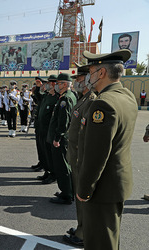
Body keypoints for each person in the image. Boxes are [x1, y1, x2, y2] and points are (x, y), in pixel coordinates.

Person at [77, 49, 137, 250]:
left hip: (102, 189)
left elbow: (96, 155)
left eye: (91, 71)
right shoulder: (127, 96)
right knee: (109, 238)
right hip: (117, 184)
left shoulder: (102, 104)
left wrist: (84, 189)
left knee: (99, 243)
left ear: (101, 73)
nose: (89, 76)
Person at [63, 64, 96, 247]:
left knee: (83, 199)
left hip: (81, 159)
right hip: (75, 157)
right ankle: (80, 226)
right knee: (79, 198)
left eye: (79, 79)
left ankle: (84, 232)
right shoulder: (82, 98)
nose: (76, 82)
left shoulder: (91, 100)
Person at [47, 73, 77, 205]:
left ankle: (66, 195)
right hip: (65, 137)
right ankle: (68, 190)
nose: (57, 86)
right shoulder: (67, 97)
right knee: (65, 165)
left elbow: (63, 121)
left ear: (65, 84)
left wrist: (57, 138)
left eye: (59, 83)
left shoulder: (66, 99)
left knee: (62, 166)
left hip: (62, 139)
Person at [36, 75, 58, 184]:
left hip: (49, 131)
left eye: (48, 83)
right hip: (42, 130)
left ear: (53, 84)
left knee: (50, 154)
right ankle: (47, 171)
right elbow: (38, 97)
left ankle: (53, 174)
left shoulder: (57, 98)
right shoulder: (47, 96)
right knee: (45, 154)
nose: (46, 85)